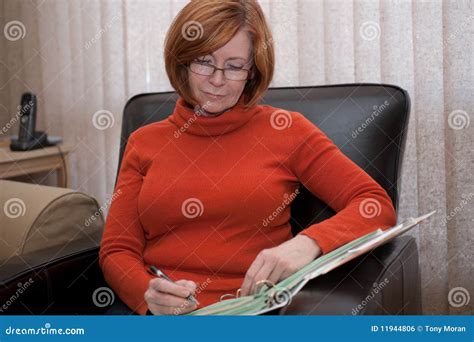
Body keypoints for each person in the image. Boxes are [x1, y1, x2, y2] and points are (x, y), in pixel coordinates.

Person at [99, 0, 397, 316]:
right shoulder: (144, 141)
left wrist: (307, 244)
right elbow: (118, 249)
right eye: (203, 61)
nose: (216, 80)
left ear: (252, 70)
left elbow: (375, 204)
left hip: (249, 312)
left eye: (234, 65)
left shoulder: (287, 130)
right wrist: (147, 295)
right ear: (183, 61)